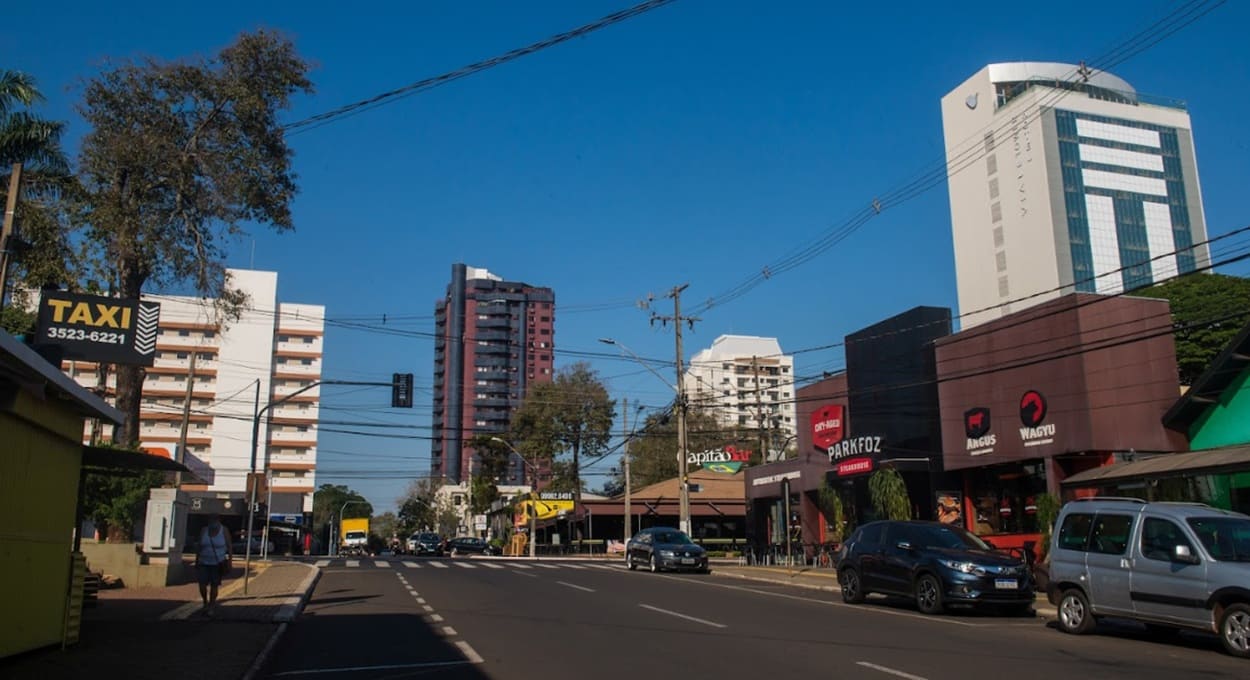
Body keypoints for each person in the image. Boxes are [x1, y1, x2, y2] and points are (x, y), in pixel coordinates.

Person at [196, 514, 231, 616]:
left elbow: (229, 546)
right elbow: (199, 546)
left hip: (217, 562)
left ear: (219, 520)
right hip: (204, 561)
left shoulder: (224, 530)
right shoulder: (204, 530)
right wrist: (197, 560)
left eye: (215, 519)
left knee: (214, 585)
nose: (212, 521)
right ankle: (205, 601)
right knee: (202, 584)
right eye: (211, 519)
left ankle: (211, 605)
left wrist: (229, 561)